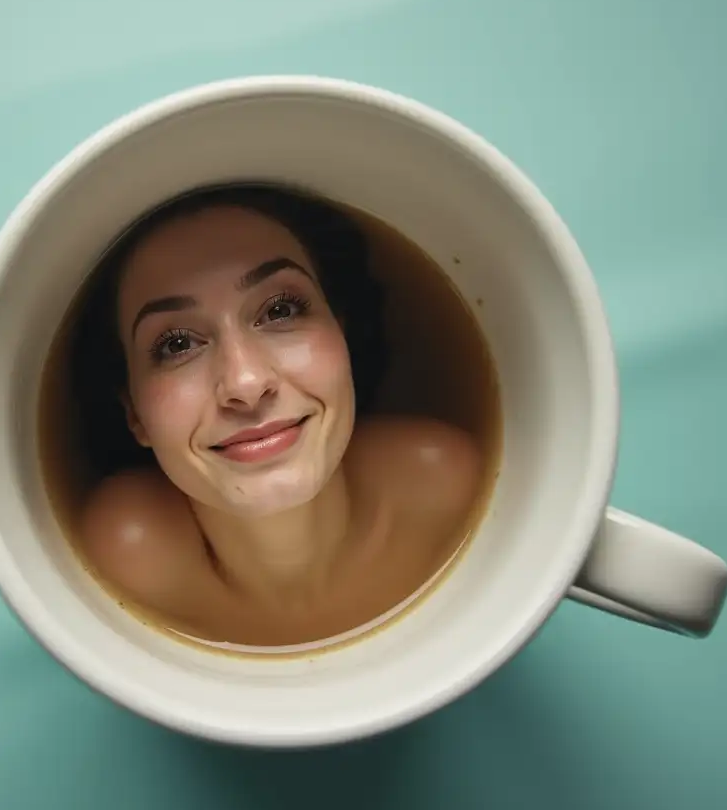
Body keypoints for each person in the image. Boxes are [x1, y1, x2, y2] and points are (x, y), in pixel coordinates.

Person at [70, 183, 484, 647]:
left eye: (281, 310)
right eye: (177, 344)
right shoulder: (133, 554)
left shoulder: (440, 482)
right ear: (135, 414)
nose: (246, 384)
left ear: (342, 339)